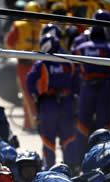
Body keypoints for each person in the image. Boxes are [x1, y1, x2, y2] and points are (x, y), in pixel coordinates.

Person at [27, 34, 81, 170]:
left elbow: (30, 80)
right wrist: (73, 95)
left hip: (48, 104)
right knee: (68, 138)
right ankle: (71, 169)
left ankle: (49, 169)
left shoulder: (43, 61)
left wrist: (36, 96)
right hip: (67, 103)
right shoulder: (69, 61)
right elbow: (77, 81)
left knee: (48, 139)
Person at [73, 10, 110, 139]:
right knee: (103, 124)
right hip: (104, 88)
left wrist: (75, 90)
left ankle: (80, 152)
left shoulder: (80, 46)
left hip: (85, 87)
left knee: (82, 122)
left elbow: (73, 69)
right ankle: (102, 151)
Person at [4, 1, 42, 131]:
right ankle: (29, 124)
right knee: (36, 94)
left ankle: (34, 125)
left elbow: (8, 44)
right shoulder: (43, 25)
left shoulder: (19, 26)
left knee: (27, 95)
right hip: (40, 64)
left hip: (25, 64)